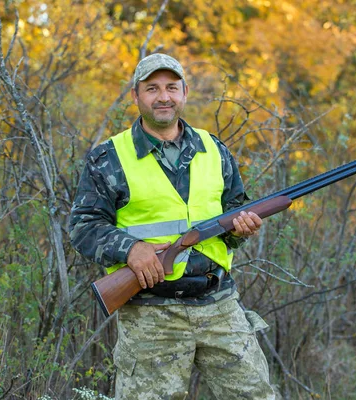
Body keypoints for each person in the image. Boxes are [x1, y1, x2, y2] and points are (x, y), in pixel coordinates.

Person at [69, 53, 276, 400]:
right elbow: (83, 226)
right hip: (152, 314)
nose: (163, 96)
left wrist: (241, 228)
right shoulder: (109, 157)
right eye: (152, 88)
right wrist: (132, 250)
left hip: (219, 304)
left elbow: (235, 209)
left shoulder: (214, 149)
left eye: (171, 87)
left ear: (184, 93)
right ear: (136, 96)